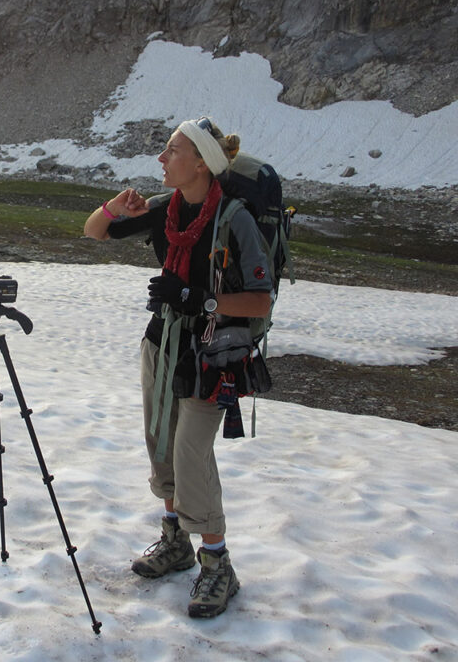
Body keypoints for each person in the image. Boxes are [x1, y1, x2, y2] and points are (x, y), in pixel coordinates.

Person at [83, 117, 273, 618]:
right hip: (162, 342)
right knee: (161, 440)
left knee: (190, 451)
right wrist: (113, 207)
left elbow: (260, 301)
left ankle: (217, 566)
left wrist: (197, 297)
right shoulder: (168, 210)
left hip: (213, 353)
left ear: (201, 162)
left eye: (172, 151)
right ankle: (175, 542)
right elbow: (95, 232)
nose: (162, 159)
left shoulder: (235, 220)